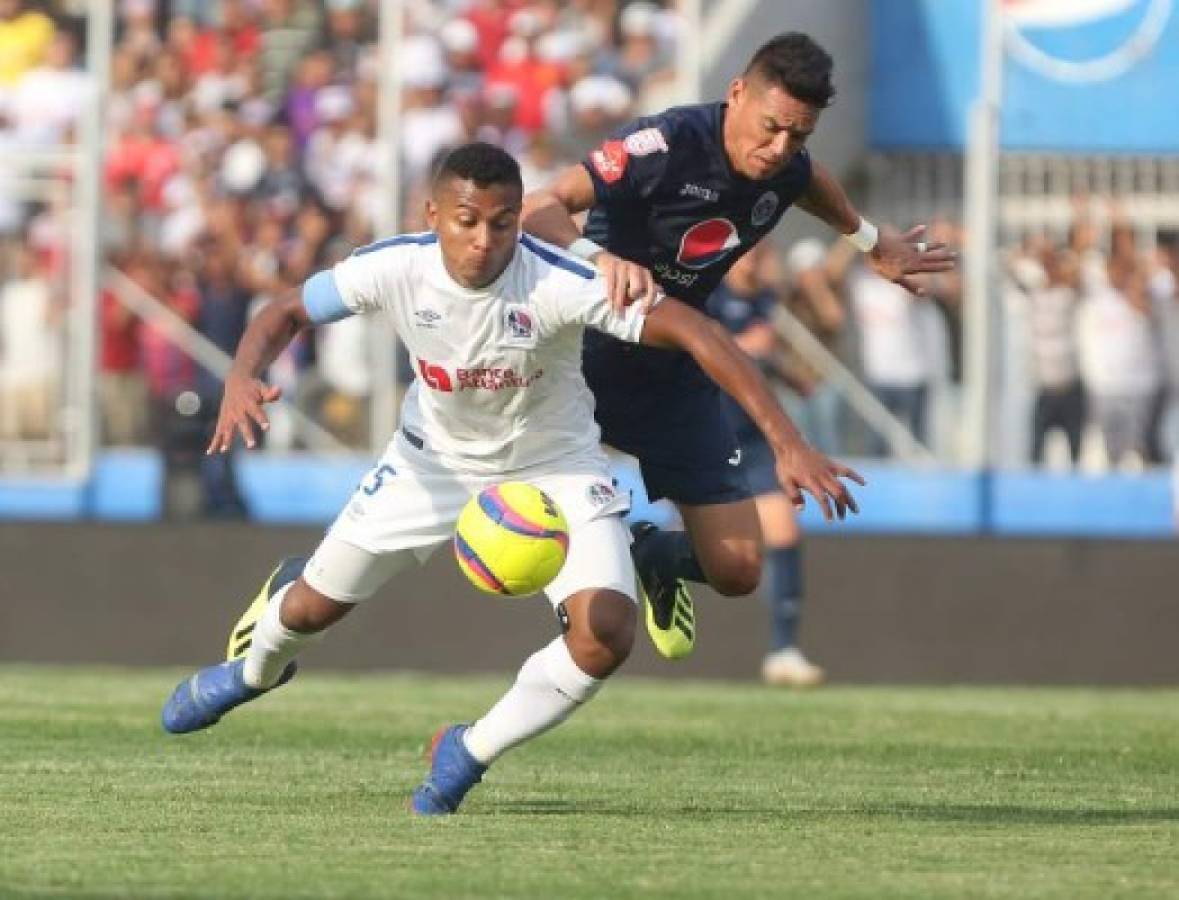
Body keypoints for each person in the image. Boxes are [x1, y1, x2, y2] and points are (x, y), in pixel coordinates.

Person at [160, 143, 862, 815]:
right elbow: (283, 310)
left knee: (606, 636)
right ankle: (251, 676)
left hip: (553, 470)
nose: (483, 240)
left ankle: (466, 753)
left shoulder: (556, 281)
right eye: (466, 221)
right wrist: (243, 377)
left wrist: (787, 440)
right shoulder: (392, 268)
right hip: (426, 463)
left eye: (502, 222)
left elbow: (696, 332)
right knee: (310, 611)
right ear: (433, 215)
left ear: (519, 216)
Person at [521, 32, 955, 658]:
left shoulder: (788, 166)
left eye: (797, 136)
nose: (780, 148)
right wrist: (599, 257)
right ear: (736, 94)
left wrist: (867, 238)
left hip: (672, 371)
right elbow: (541, 206)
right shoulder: (664, 146)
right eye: (773, 127)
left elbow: (810, 181)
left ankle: (651, 551)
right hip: (584, 357)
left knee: (739, 568)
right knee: (594, 615)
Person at [706, 244, 824, 686]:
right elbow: (696, 348)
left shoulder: (766, 301)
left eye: (762, 251)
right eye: (749, 252)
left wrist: (790, 376)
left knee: (784, 532)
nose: (756, 259)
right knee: (712, 553)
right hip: (707, 439)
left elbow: (762, 359)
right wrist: (745, 347)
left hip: (754, 442)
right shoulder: (710, 296)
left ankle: (783, 650)